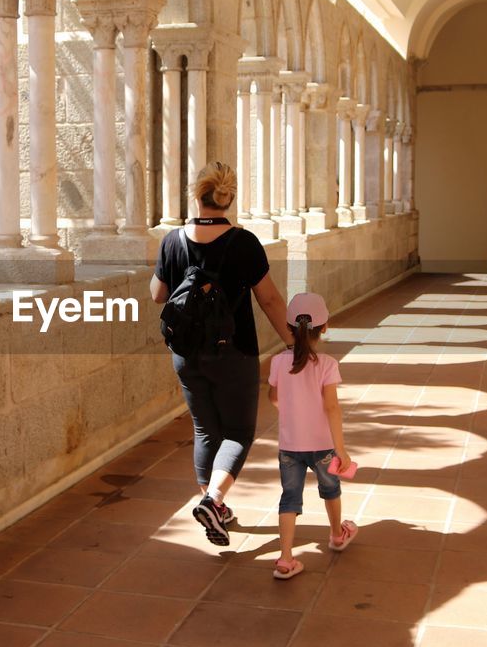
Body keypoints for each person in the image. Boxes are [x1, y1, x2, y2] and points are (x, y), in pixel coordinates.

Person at [151, 162, 293, 546]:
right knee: (239, 432)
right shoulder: (243, 242)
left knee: (204, 429)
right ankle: (214, 500)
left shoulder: (173, 240)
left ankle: (215, 507)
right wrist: (296, 344)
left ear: (197, 195)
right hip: (235, 353)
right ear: (228, 198)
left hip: (186, 354)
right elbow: (270, 299)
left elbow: (157, 294)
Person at [267, 292, 358, 579]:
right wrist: (341, 450)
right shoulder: (328, 364)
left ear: (289, 327)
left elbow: (274, 398)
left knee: (289, 499)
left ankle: (284, 558)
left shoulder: (278, 363)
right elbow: (332, 408)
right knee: (330, 490)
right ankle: (336, 535)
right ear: (325, 326)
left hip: (290, 446)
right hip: (323, 447)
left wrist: (293, 409)